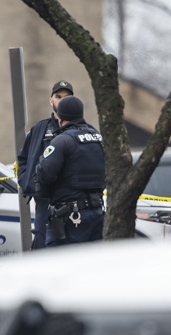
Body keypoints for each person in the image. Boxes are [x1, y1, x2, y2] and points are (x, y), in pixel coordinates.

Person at [35, 95, 106, 246]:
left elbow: (44, 173)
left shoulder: (63, 140)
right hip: (97, 213)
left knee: (60, 265)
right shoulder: (98, 138)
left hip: (70, 218)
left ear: (59, 117)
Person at [17, 80, 74, 249]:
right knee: (42, 248)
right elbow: (23, 159)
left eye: (66, 97)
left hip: (71, 202)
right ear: (51, 101)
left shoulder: (79, 129)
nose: (61, 100)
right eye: (58, 96)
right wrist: (27, 181)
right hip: (44, 201)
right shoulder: (39, 129)